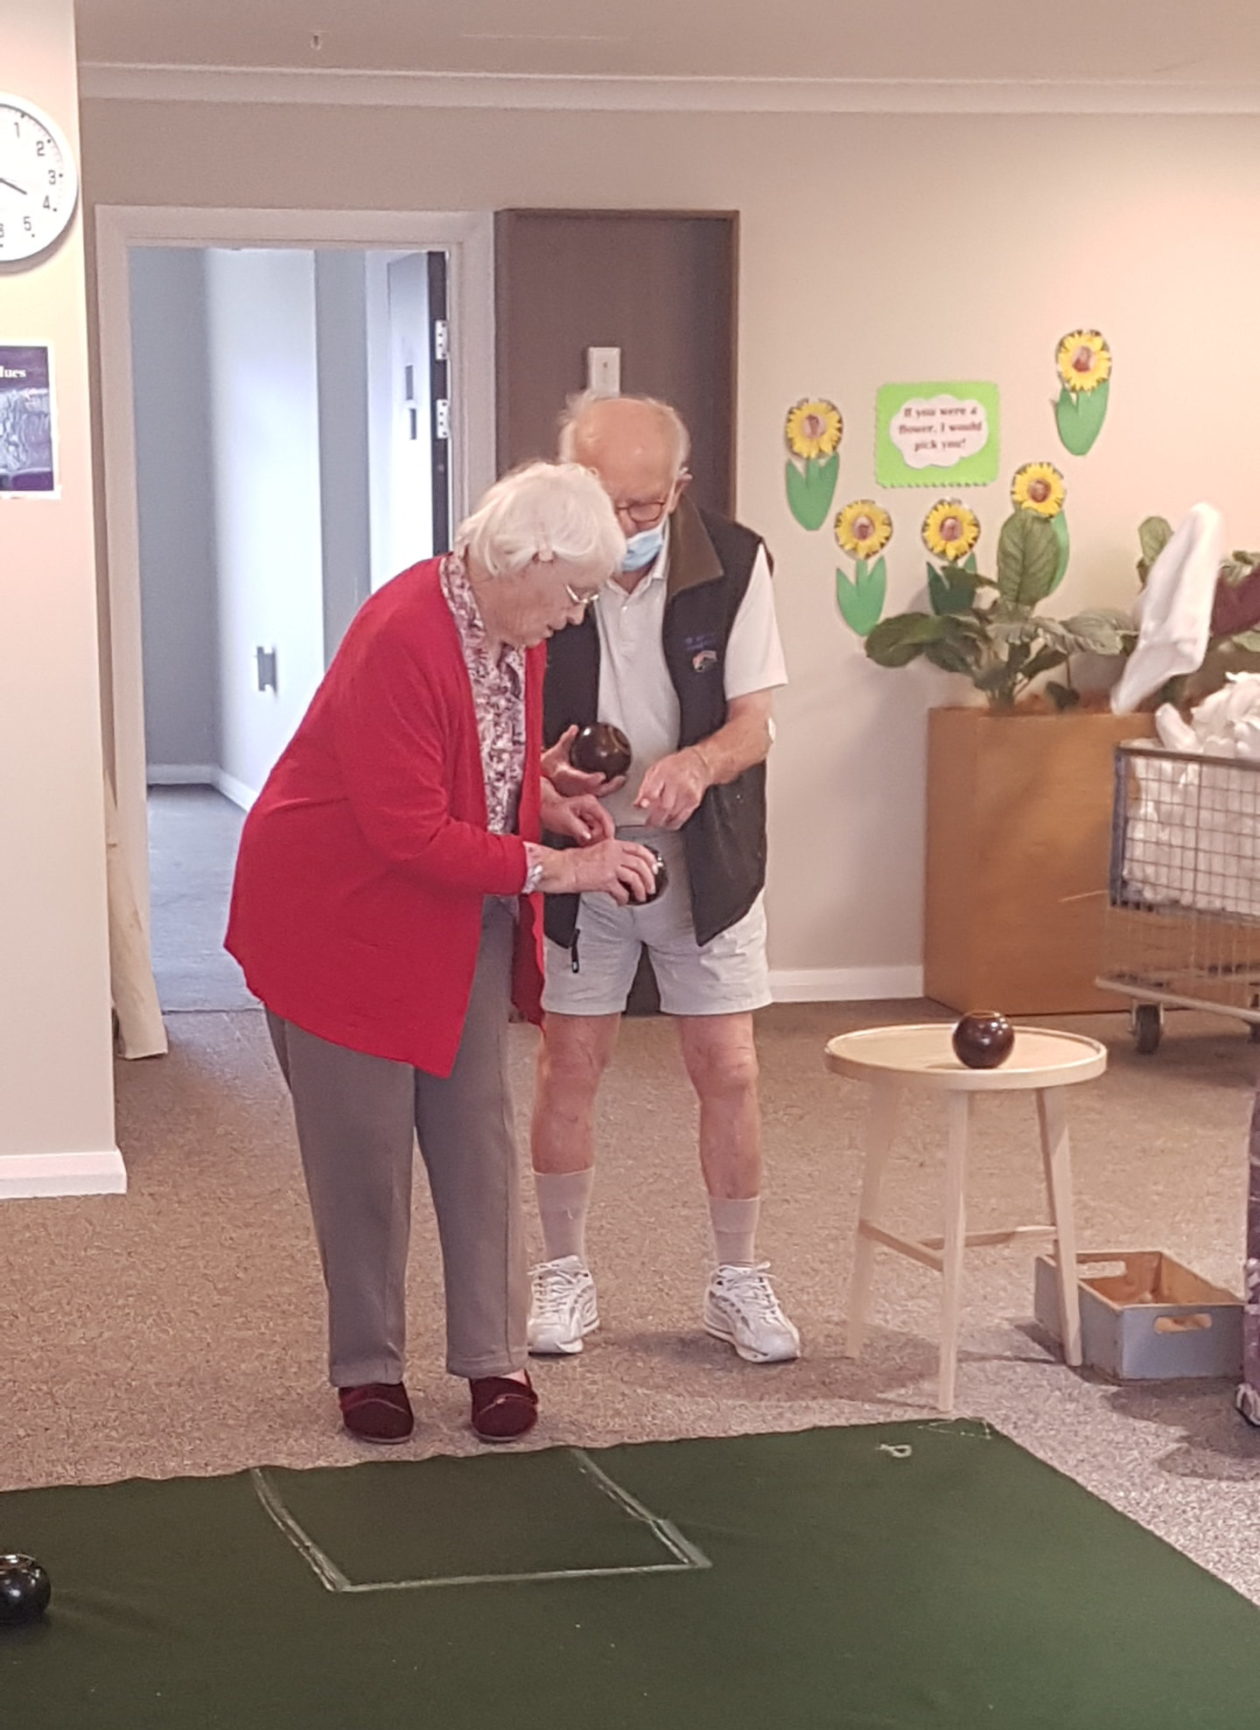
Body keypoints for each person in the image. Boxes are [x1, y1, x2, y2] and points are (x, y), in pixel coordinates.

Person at [225, 462, 657, 1446]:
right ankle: (367, 1365)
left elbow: (479, 754)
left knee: (475, 1134)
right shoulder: (402, 633)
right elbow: (409, 832)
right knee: (363, 1149)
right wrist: (567, 865)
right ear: (532, 558)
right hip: (335, 915)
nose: (578, 612)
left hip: (452, 909)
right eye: (576, 588)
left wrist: (537, 794)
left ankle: (492, 1355)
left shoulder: (512, 623)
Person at [528, 393, 801, 1364]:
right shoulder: (544, 559)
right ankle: (562, 1274)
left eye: (643, 507)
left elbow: (754, 722)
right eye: (607, 503)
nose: (625, 527)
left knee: (727, 1066)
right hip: (582, 847)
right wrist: (547, 776)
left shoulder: (735, 561)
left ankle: (737, 1278)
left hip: (705, 848)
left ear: (677, 490)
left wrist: (698, 763)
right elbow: (502, 717)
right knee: (571, 1062)